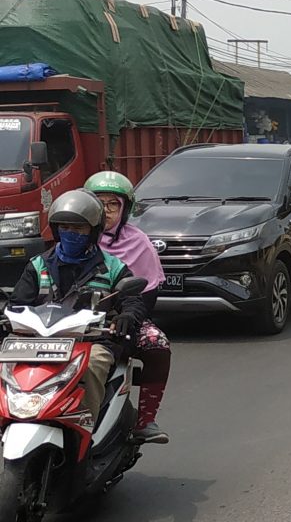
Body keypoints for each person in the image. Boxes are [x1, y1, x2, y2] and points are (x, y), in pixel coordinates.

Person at [7, 190, 148, 431]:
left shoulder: (113, 267)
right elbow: (17, 304)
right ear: (55, 229)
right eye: (65, 227)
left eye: (79, 228)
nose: (71, 234)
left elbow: (133, 299)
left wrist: (127, 315)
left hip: (89, 341)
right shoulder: (37, 265)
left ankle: (85, 430)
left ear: (93, 231)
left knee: (94, 364)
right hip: (38, 342)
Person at [85, 171, 172, 444]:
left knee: (157, 344)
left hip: (123, 319)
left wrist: (125, 318)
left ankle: (145, 420)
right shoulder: (75, 238)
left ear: (125, 209)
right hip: (74, 321)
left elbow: (147, 295)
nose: (107, 211)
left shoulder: (139, 242)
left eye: (114, 204)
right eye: (100, 204)